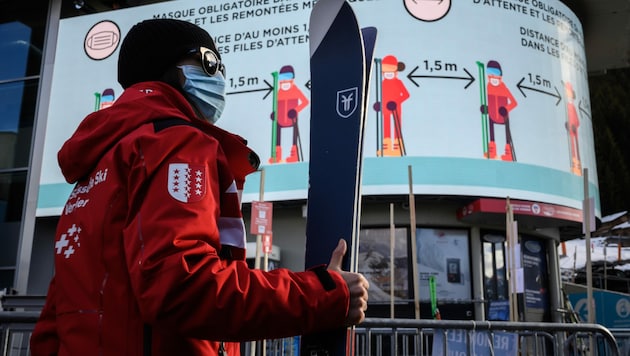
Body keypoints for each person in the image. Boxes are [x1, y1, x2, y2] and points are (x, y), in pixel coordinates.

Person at [30, 19, 369, 356]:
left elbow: (55, 318)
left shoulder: (98, 167)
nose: (220, 77)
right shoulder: (176, 143)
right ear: (177, 69)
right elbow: (184, 288)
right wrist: (322, 294)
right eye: (211, 63)